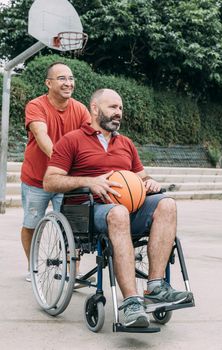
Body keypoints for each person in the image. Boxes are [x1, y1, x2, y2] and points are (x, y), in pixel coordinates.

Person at [43, 88, 193, 328]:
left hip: (127, 208)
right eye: (113, 107)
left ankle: (155, 287)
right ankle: (131, 302)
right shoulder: (72, 140)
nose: (118, 113)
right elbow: (50, 181)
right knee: (118, 212)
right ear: (94, 108)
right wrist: (89, 182)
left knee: (166, 204)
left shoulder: (126, 143)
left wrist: (149, 183)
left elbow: (141, 178)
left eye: (120, 108)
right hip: (89, 212)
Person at [20, 61, 91, 283]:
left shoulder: (80, 109)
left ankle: (73, 270)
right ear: (48, 83)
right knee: (32, 224)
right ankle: (33, 266)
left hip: (66, 181)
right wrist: (62, 163)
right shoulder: (36, 106)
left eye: (70, 78)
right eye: (61, 78)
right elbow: (42, 137)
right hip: (36, 179)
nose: (68, 83)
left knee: (73, 227)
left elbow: (90, 138)